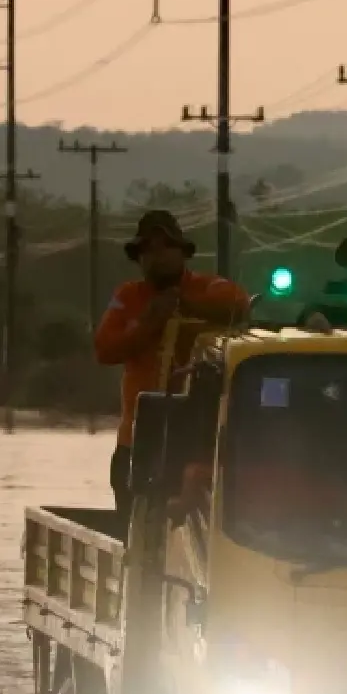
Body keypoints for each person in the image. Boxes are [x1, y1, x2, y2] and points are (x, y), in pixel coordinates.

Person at [94, 209, 250, 524]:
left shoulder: (208, 288)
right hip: (137, 441)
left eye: (165, 247)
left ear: (182, 252)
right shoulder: (127, 297)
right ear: (138, 258)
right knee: (136, 532)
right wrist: (149, 324)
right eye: (148, 250)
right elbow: (105, 348)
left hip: (196, 444)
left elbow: (239, 305)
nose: (157, 256)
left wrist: (183, 306)